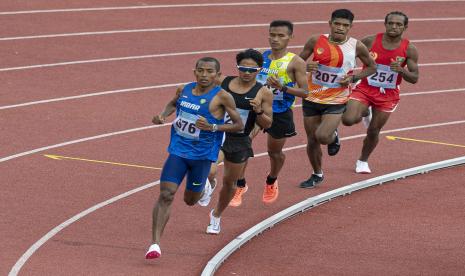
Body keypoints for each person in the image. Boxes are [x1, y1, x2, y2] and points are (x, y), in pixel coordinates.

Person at [145, 57, 243, 259]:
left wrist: (213, 127)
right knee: (166, 194)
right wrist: (162, 115)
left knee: (190, 200)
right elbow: (173, 104)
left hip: (202, 156)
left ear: (217, 75)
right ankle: (154, 244)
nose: (204, 75)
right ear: (194, 72)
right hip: (178, 152)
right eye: (200, 71)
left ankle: (207, 185)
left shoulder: (223, 97)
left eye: (209, 72)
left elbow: (238, 125)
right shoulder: (184, 89)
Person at [298, 9, 376, 188]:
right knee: (312, 140)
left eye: (345, 25)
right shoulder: (315, 40)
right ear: (330, 23)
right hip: (311, 97)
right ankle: (317, 174)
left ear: (350, 27)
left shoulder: (356, 46)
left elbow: (372, 67)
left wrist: (355, 77)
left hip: (336, 99)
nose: (340, 28)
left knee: (322, 136)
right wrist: (305, 66)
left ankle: (333, 137)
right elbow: (296, 63)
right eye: (337, 24)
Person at [198, 49, 273, 234]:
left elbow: (268, 123)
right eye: (243, 69)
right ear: (237, 67)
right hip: (218, 134)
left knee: (230, 184)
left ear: (259, 69)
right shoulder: (223, 82)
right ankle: (209, 183)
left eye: (252, 70)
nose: (247, 73)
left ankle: (216, 215)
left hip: (240, 140)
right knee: (209, 168)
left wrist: (258, 112)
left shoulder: (263, 93)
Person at [342, 11, 419, 173]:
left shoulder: (409, 49)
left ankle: (363, 160)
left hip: (388, 95)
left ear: (405, 27)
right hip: (365, 88)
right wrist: (348, 74)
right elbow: (348, 56)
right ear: (385, 24)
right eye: (390, 23)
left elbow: (414, 78)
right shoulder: (370, 41)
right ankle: (364, 111)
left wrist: (401, 71)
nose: (393, 27)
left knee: (374, 130)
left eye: (398, 24)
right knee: (348, 120)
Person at [255, 20, 309, 203]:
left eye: (281, 36)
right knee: (241, 144)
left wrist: (283, 87)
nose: (275, 39)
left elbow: (305, 92)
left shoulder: (296, 62)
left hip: (280, 112)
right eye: (272, 35)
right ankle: (239, 183)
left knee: (274, 153)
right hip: (258, 109)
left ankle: (272, 179)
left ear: (290, 37)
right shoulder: (260, 58)